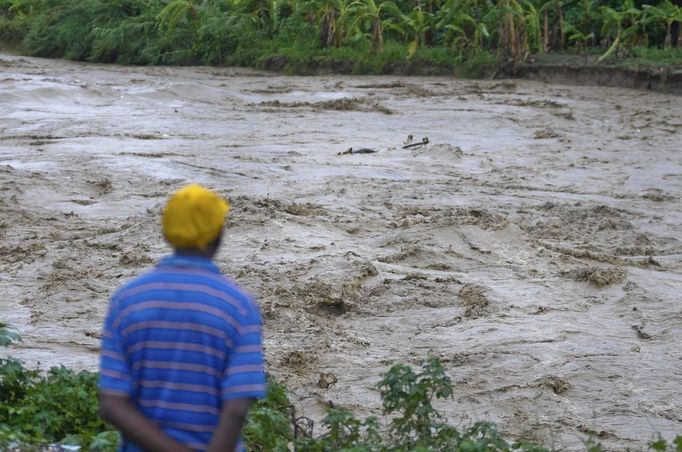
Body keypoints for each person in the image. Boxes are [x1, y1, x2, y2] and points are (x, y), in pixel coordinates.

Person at [99, 184, 266, 452]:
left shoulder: (126, 300)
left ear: (167, 234)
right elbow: (236, 406)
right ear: (219, 234)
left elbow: (112, 405)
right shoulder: (238, 305)